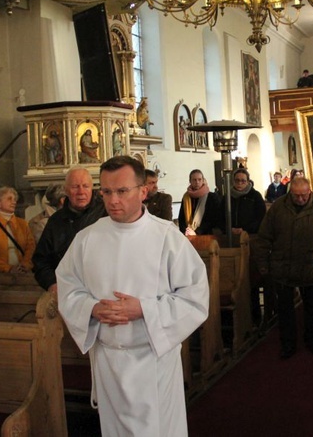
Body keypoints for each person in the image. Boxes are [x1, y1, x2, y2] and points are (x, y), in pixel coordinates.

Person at [56, 156, 209, 436]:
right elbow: (68, 287)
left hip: (154, 361)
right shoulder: (87, 239)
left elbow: (195, 299)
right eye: (106, 192)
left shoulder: (167, 237)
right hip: (109, 361)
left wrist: (144, 310)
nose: (113, 200)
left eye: (122, 191)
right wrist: (91, 308)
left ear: (143, 191)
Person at [255, 177, 313, 359]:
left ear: (309, 192)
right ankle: (288, 344)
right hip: (283, 267)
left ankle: (312, 340)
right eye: (296, 196)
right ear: (290, 193)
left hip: (311, 267)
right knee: (285, 311)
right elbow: (264, 237)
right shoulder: (278, 208)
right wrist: (263, 263)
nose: (300, 200)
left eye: (304, 196)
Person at [32, 168, 106, 292]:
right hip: (68, 290)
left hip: (102, 288)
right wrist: (52, 284)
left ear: (92, 188)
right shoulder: (56, 221)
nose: (81, 192)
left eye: (85, 186)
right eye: (75, 187)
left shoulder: (106, 214)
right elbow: (41, 261)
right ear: (66, 190)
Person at [0, 186, 35, 273]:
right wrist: (7, 268)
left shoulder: (23, 223)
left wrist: (25, 264)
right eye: (9, 199)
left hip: (23, 272)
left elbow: (31, 246)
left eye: (15, 199)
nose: (14, 202)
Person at [222, 168, 267, 235]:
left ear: (248, 182)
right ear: (233, 181)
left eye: (243, 181)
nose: (240, 183)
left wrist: (245, 229)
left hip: (250, 234)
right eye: (237, 180)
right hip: (230, 234)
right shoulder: (228, 196)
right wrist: (229, 229)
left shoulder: (255, 196)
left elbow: (261, 217)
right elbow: (220, 216)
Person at [178, 169, 222, 236]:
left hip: (207, 235)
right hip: (188, 234)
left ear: (203, 180)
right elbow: (181, 218)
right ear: (190, 181)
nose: (197, 182)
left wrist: (197, 232)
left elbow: (213, 219)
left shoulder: (212, 197)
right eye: (194, 180)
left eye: (199, 179)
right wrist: (186, 231)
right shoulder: (186, 197)